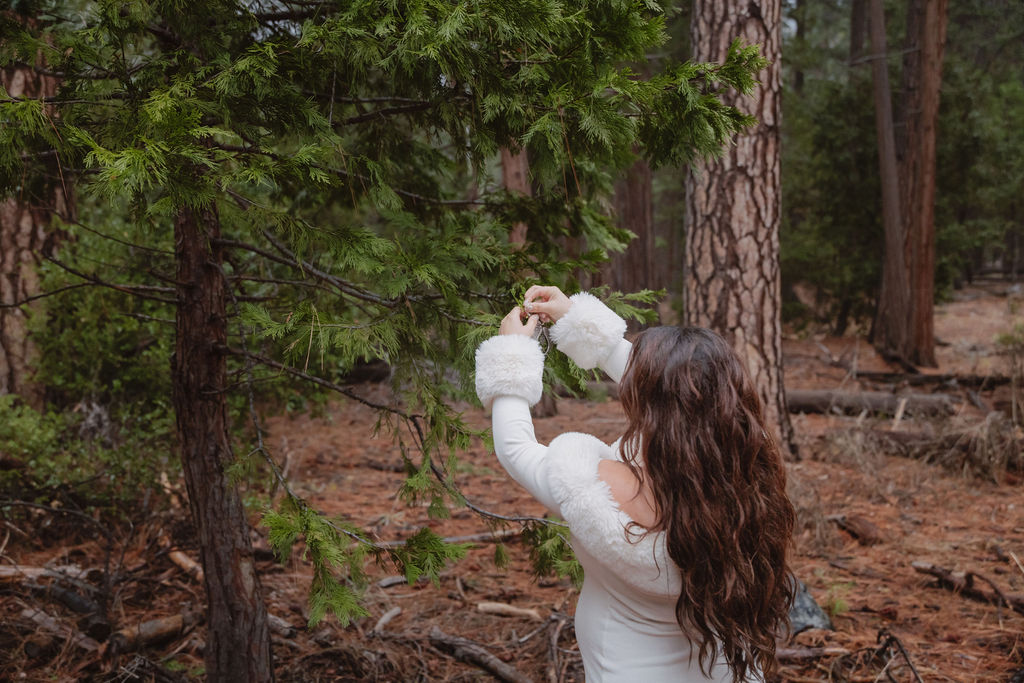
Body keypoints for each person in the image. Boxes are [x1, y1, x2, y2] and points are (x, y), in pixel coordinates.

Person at [474, 286, 795, 683]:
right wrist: (575, 319)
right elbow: (684, 392)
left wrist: (512, 353)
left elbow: (515, 448)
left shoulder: (601, 491)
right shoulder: (746, 476)